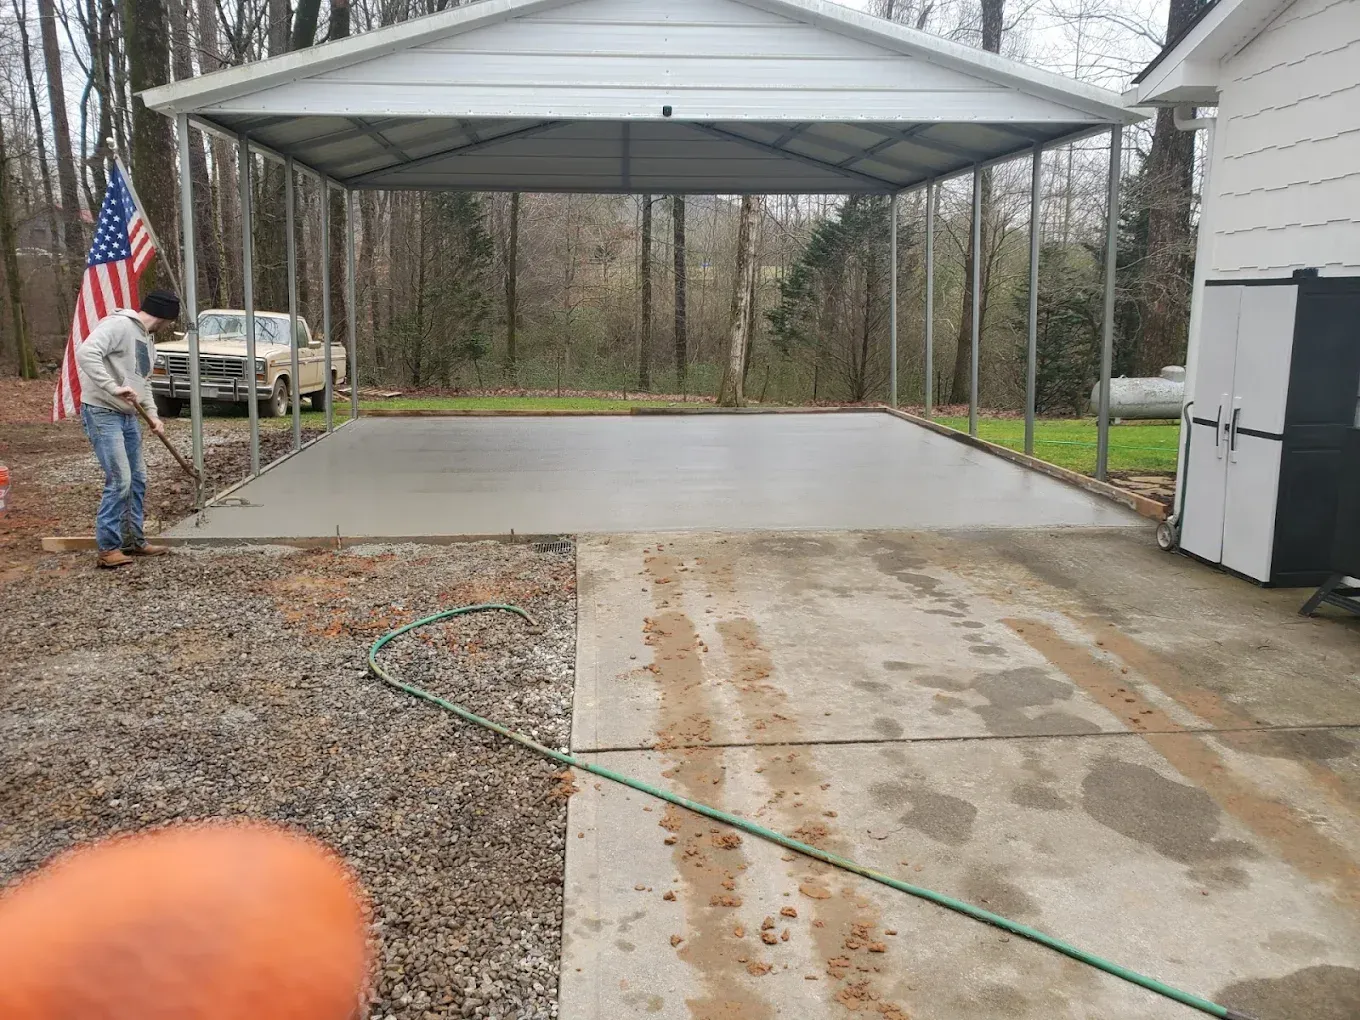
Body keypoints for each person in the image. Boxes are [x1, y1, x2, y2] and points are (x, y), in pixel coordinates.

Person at [75, 290, 180, 569]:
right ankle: (108, 549)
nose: (168, 327)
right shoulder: (118, 325)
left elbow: (142, 382)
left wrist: (154, 416)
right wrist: (112, 387)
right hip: (102, 412)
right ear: (163, 316)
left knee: (137, 479)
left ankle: (133, 540)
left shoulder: (148, 341)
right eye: (169, 321)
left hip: (128, 416)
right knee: (120, 479)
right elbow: (86, 353)